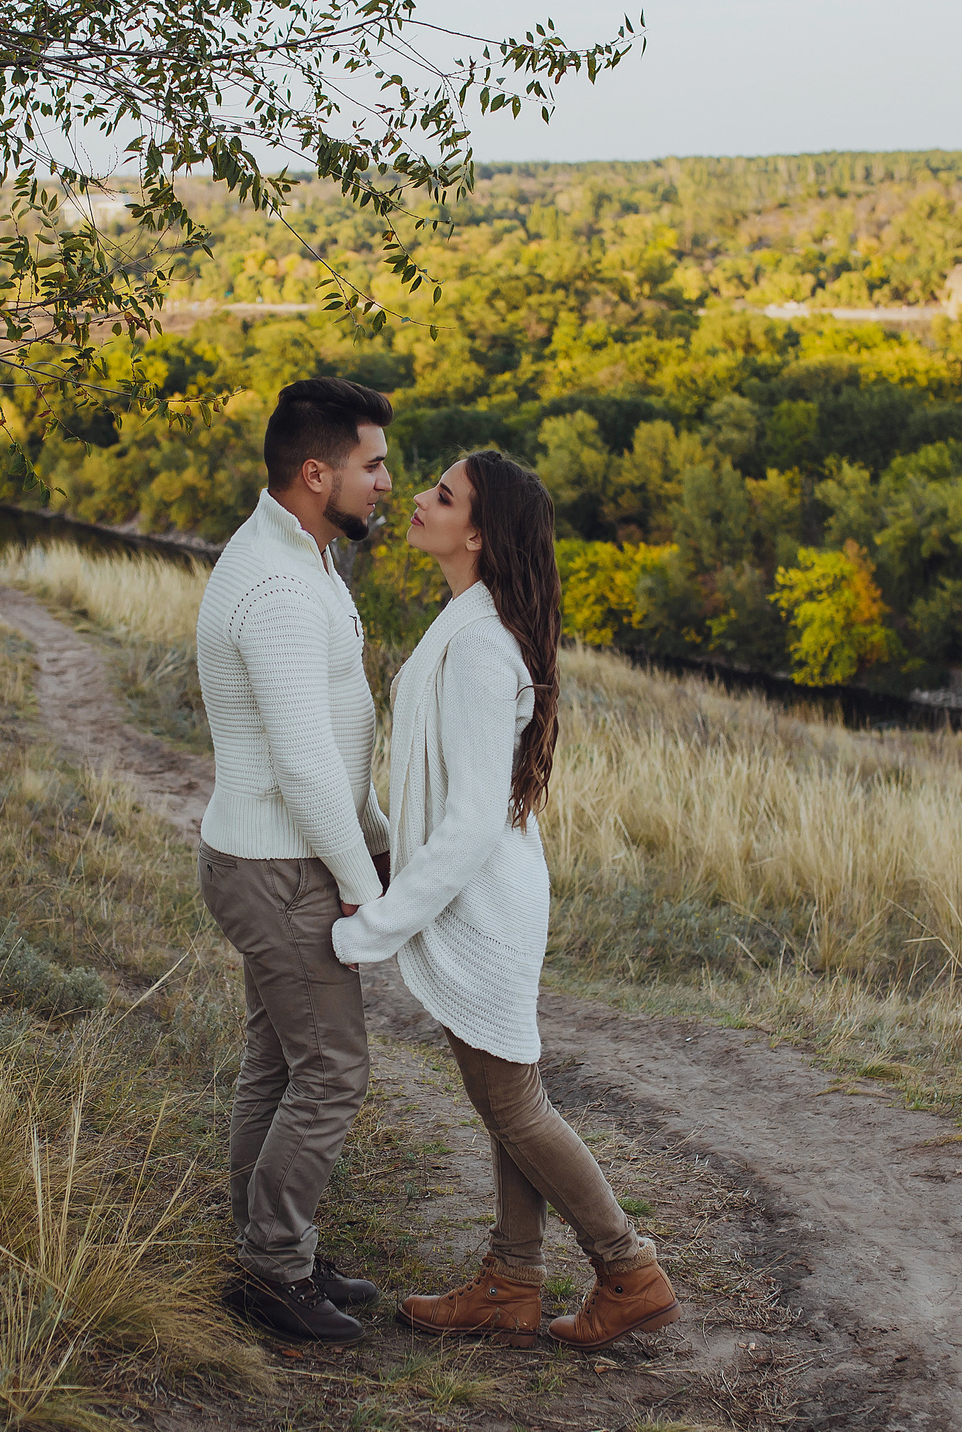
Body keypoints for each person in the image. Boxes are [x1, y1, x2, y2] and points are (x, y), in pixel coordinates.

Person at [333, 450, 682, 1352]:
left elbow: (473, 821)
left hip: (484, 908)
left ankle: (628, 1269)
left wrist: (376, 923)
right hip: (479, 898)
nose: (416, 498)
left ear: (478, 534)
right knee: (504, 1103)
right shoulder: (469, 621)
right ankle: (513, 1279)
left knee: (514, 1103)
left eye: (440, 497)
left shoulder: (485, 647)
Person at [194, 376, 398, 1342]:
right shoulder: (278, 585)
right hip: (280, 867)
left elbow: (337, 735)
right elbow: (306, 768)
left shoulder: (304, 555)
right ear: (317, 474)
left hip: (281, 856)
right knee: (332, 1071)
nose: (387, 482)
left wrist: (380, 836)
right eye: (373, 465)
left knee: (278, 1065)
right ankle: (273, 1270)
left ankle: (270, 1245)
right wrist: (367, 892)